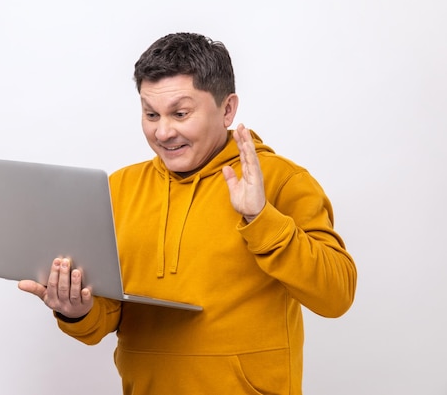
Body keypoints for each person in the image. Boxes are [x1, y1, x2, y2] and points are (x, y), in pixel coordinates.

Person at [18, 32, 357, 395]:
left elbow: (336, 295)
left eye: (180, 113)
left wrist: (261, 218)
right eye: (150, 114)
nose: (163, 132)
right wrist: (76, 310)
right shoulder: (120, 188)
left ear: (227, 109)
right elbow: (106, 319)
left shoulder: (280, 180)